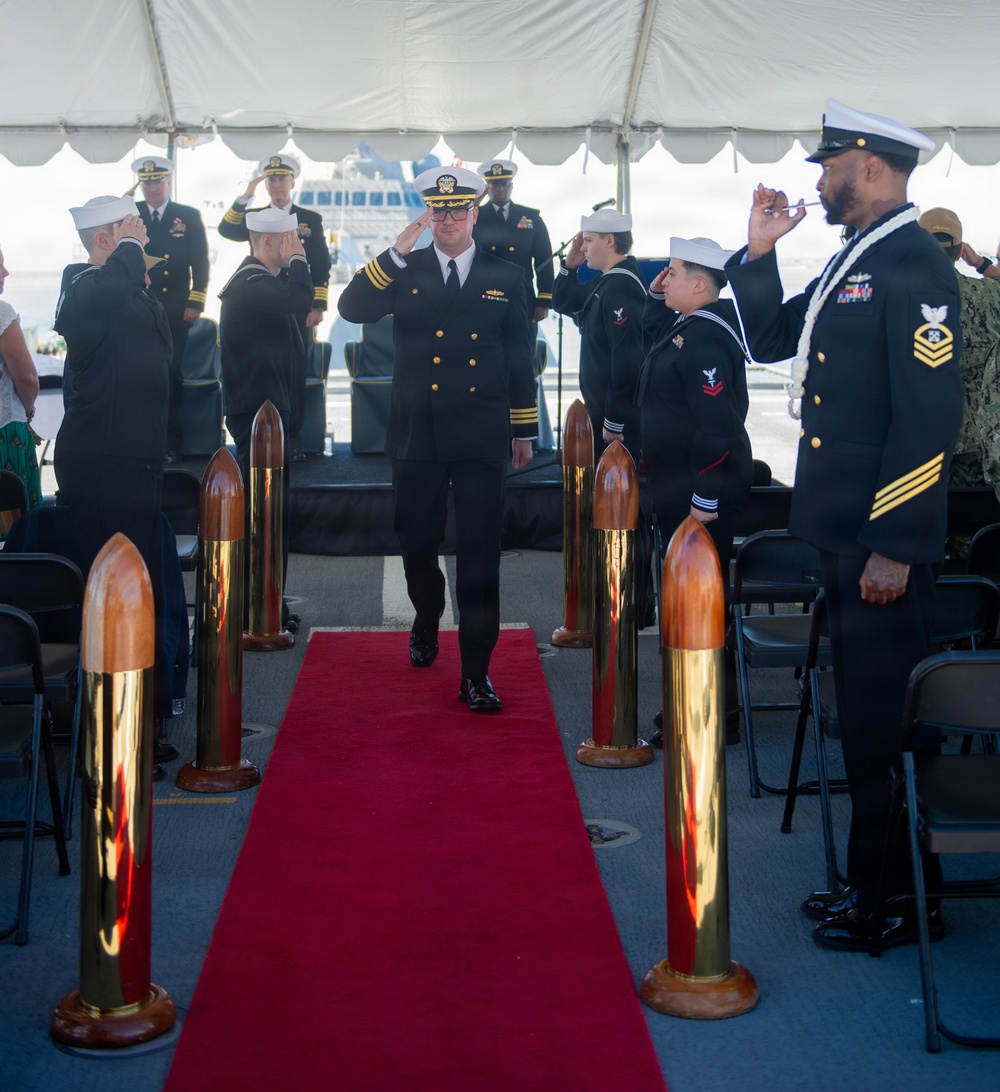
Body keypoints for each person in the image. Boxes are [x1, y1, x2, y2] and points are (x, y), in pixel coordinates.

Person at [725, 99, 964, 952]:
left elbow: (928, 420)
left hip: (879, 543)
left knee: (881, 723)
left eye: (829, 167)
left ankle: (898, 898)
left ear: (870, 167)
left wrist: (898, 548)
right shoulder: (850, 259)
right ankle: (876, 883)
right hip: (839, 530)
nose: (818, 182)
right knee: (858, 718)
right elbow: (767, 340)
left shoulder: (914, 267)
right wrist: (759, 254)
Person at [337, 166, 537, 713]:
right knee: (417, 541)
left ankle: (476, 672)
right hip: (418, 430)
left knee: (479, 553)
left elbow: (521, 358)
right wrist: (395, 251)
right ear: (429, 216)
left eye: (458, 210)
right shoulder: (405, 268)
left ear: (475, 212)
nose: (448, 220)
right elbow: (351, 309)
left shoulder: (508, 275)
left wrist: (524, 427)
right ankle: (427, 619)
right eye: (438, 211)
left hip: (479, 431)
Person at [54, 195, 175, 774]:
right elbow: (102, 294)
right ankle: (112, 736)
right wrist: (128, 250)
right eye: (129, 230)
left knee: (141, 595)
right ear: (105, 240)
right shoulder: (81, 285)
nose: (142, 236)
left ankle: (141, 724)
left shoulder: (132, 289)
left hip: (139, 462)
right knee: (116, 601)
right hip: (104, 466)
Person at [639, 236, 752, 742]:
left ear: (700, 284)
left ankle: (706, 714)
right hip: (678, 488)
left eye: (675, 272)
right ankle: (700, 704)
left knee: (698, 603)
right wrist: (655, 294)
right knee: (686, 600)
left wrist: (703, 500)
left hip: (699, 496)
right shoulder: (689, 325)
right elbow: (655, 338)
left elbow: (718, 428)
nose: (667, 278)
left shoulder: (706, 338)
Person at [218, 206, 314, 626]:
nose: (298, 246)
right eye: (291, 240)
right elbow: (300, 298)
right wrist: (300, 263)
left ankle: (270, 602)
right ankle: (255, 607)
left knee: (272, 518)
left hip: (272, 420)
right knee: (261, 518)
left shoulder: (264, 282)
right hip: (258, 421)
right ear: (270, 242)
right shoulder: (249, 282)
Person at [219, 154, 331, 461]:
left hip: (292, 301)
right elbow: (226, 230)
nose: (276, 183)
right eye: (271, 178)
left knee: (293, 370)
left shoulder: (308, 218)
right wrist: (245, 196)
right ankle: (282, 435)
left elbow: (322, 262)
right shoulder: (257, 232)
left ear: (292, 182)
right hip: (277, 297)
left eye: (282, 178)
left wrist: (318, 303)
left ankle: (290, 436)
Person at [551, 207, 647, 461]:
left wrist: (614, 421)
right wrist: (569, 267)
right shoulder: (608, 281)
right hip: (601, 413)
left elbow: (627, 362)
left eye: (589, 240)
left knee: (617, 497)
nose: (582, 248)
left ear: (610, 240)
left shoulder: (621, 288)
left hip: (615, 422)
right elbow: (562, 303)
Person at [131, 155, 210, 462]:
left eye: (157, 181)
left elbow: (200, 262)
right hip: (138, 308)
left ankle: (169, 442)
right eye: (146, 182)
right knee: (140, 374)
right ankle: (141, 440)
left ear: (168, 182)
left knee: (170, 374)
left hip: (176, 310)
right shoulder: (130, 213)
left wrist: (196, 301)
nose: (152, 187)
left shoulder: (186, 215)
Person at [916, 209, 1000, 492]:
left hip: (918, 437)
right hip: (977, 439)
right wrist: (980, 263)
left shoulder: (897, 296)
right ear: (959, 251)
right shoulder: (988, 295)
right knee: (970, 524)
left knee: (919, 524)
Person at [473, 159, 554, 327]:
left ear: (511, 186)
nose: (500, 188)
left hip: (523, 296)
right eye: (494, 185)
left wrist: (544, 299)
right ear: (487, 188)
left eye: (504, 183)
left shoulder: (531, 217)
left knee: (523, 349)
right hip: (485, 295)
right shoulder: (475, 218)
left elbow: (544, 260)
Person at [0, 244, 42, 534]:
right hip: (5, 433)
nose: (6, 272)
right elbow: (26, 376)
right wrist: (28, 409)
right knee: (16, 534)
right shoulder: (1, 312)